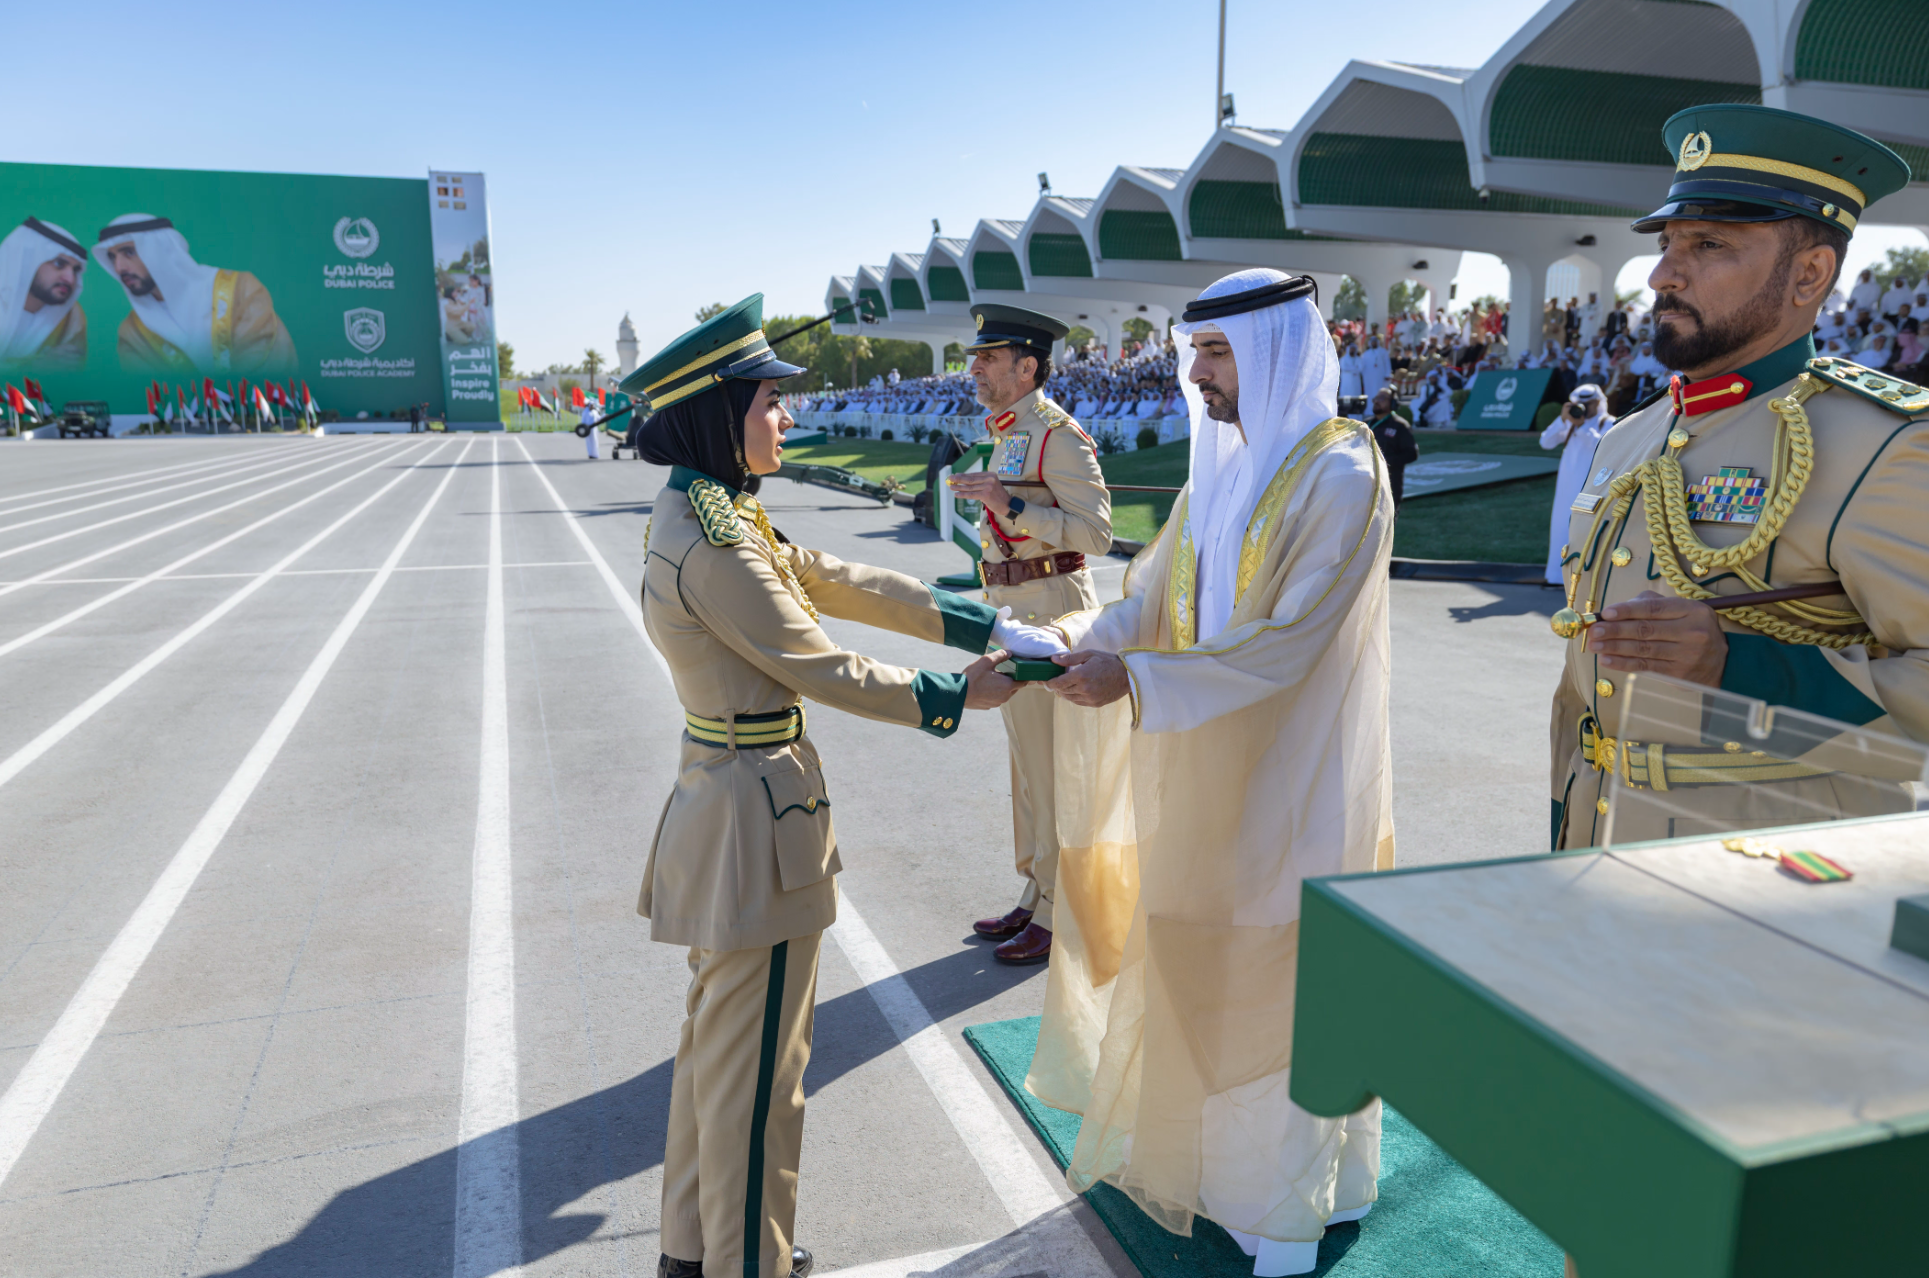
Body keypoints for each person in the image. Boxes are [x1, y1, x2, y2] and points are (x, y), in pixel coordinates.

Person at [624, 295, 1050, 1278]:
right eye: (768, 401)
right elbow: (817, 663)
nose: (785, 417)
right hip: (755, 821)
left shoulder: (707, 509)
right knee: (762, 1074)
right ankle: (749, 1264)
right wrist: (956, 694)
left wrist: (979, 622)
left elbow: (831, 575)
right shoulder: (717, 540)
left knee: (718, 1052)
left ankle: (695, 1250)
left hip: (726, 801)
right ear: (715, 412)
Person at [1028, 269, 1393, 1278]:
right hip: (1198, 774)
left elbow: (1290, 640)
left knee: (1285, 985)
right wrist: (1069, 643)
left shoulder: (1342, 476)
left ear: (1278, 350)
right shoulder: (1217, 474)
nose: (1197, 374)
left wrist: (1136, 682)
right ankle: (1217, 1180)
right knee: (1203, 966)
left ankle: (1285, 1211)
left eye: (1218, 352)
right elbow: (1148, 601)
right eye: (1194, 351)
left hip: (1300, 782)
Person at [1550, 103, 1927, 851]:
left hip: (1769, 874)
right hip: (1597, 849)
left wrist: (1742, 669)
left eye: (1709, 244)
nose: (1662, 273)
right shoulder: (1630, 436)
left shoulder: (1884, 445)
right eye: (1666, 243)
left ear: (1809, 274)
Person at [946, 303, 1112, 965]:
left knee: (1054, 768)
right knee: (1027, 767)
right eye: (976, 358)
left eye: (988, 358)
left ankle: (1059, 908)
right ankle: (1036, 889)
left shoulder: (1058, 435)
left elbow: (1097, 533)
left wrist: (1008, 503)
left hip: (1052, 606)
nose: (975, 368)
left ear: (1027, 367)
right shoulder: (1009, 430)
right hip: (1016, 605)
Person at [93, 213, 296, 373]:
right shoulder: (132, 332)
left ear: (163, 251)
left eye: (129, 252)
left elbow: (261, 366)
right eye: (112, 257)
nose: (119, 268)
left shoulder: (241, 289)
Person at [1538, 384, 1612, 583]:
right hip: (1566, 491)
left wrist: (1582, 426)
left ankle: (1586, 581)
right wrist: (1562, 419)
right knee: (1561, 531)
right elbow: (1545, 442)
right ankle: (1557, 578)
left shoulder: (1608, 423)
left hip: (1593, 491)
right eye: (1580, 404)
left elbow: (1603, 445)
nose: (1584, 408)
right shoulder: (1570, 424)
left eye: (1589, 404)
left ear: (1598, 402)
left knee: (1587, 534)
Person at [0, 218, 87, 368]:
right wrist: (32, 366)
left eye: (75, 270)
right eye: (59, 264)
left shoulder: (72, 316)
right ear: (27, 262)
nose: (70, 278)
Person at [1367, 387, 1418, 506]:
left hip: (1390, 483)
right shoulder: (1366, 424)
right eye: (1376, 398)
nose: (1376, 401)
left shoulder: (1399, 425)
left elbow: (1412, 453)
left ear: (1393, 403)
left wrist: (1385, 462)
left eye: (1382, 398)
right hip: (1367, 481)